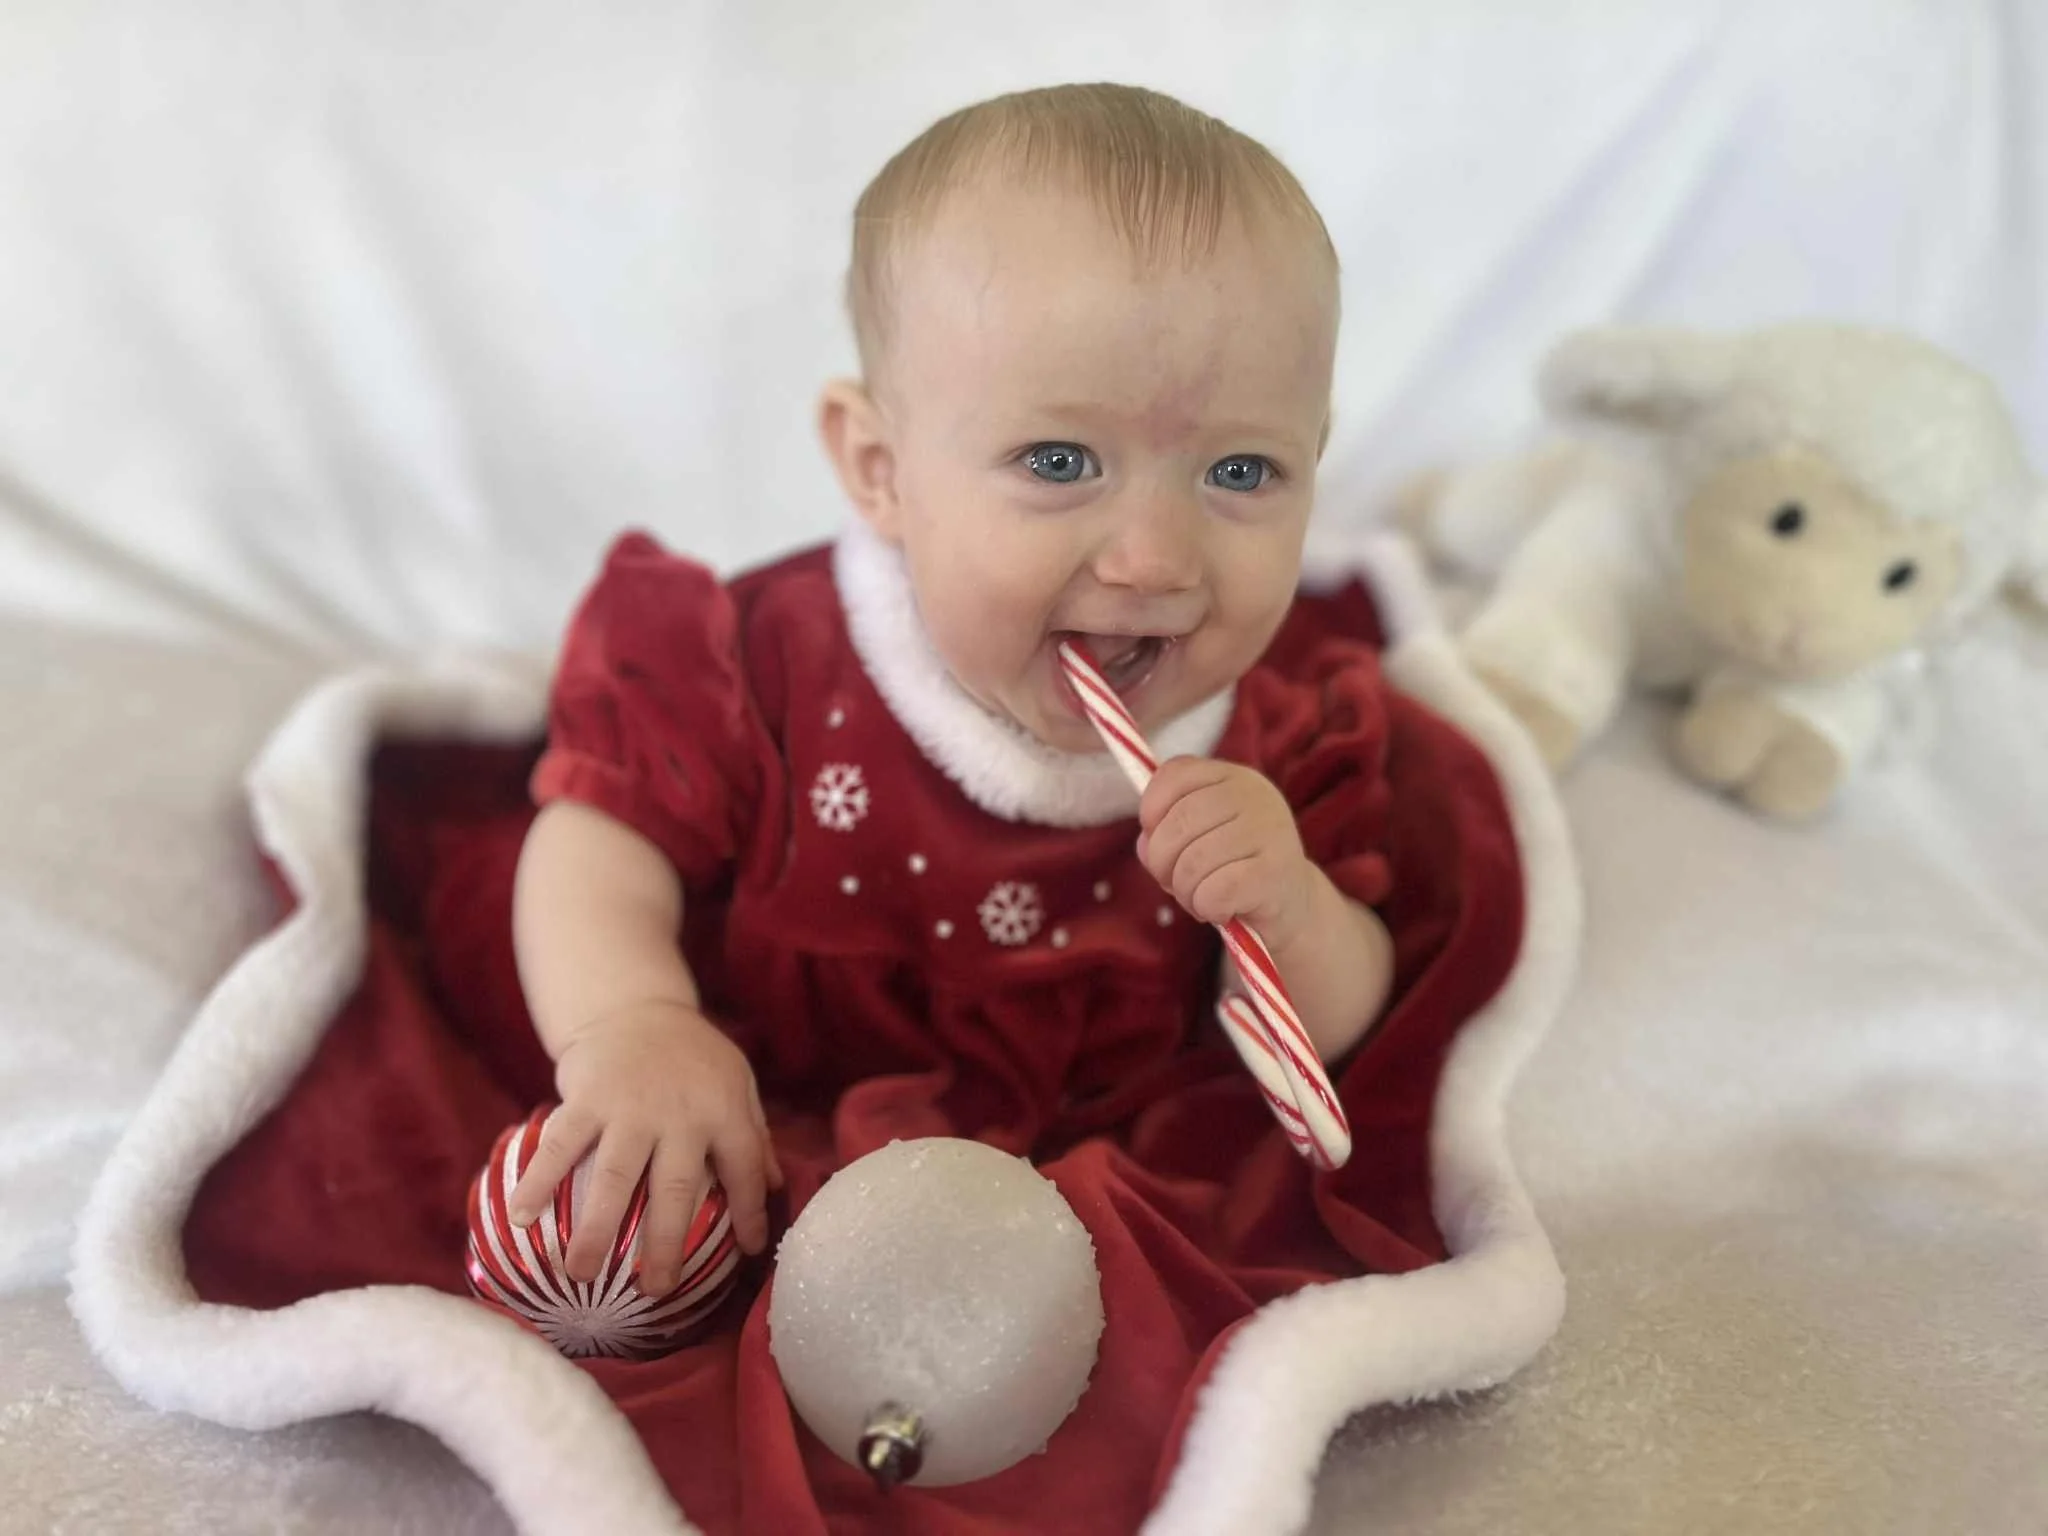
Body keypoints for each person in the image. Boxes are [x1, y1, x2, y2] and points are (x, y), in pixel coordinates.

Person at [506, 82, 1395, 1297]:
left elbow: (1344, 1016)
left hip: (1075, 1170)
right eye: (1058, 461)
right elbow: (598, 843)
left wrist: (1286, 905)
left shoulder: (1269, 740)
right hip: (765, 1098)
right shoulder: (760, 665)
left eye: (1240, 469)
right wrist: (635, 1025)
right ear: (880, 470)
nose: (1153, 559)